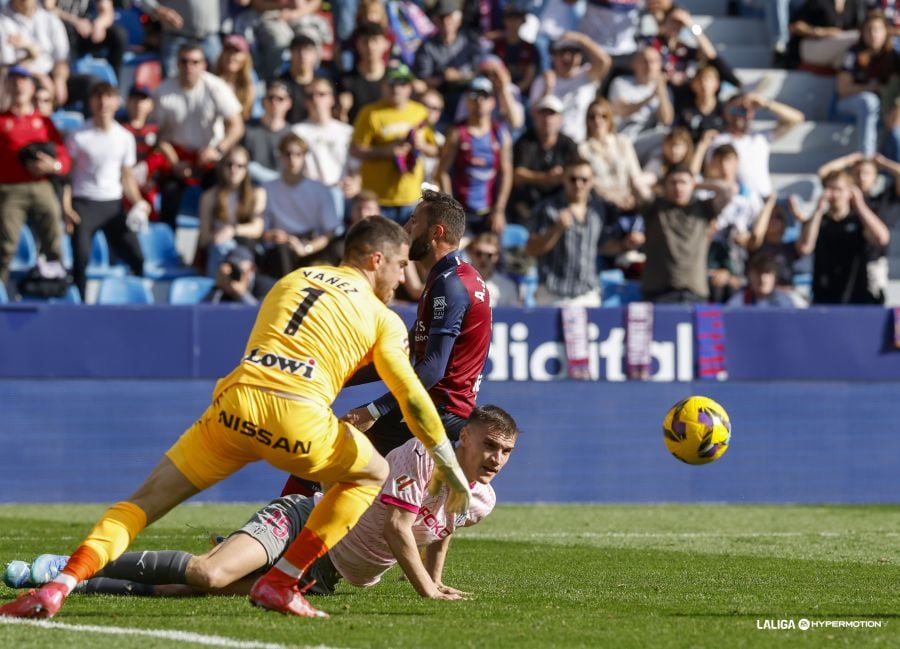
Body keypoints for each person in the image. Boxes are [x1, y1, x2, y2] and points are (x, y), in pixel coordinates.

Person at [0, 215, 472, 620]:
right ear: (375, 260)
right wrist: (447, 464)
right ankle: (283, 581)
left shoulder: (293, 279)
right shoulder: (382, 317)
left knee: (139, 504)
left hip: (234, 405)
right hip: (297, 417)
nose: (402, 280)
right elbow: (411, 392)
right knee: (373, 471)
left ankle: (57, 586)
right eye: (399, 267)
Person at [5, 406, 517, 602]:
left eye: (506, 452)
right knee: (208, 574)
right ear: (465, 437)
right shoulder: (424, 458)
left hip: (329, 574)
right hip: (305, 523)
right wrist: (427, 590)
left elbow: (441, 528)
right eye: (490, 445)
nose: (496, 458)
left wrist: (439, 574)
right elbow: (398, 528)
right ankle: (64, 568)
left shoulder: (483, 499)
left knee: (184, 589)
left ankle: (75, 580)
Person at [343, 190, 493, 458]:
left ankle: (294, 502)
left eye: (413, 222)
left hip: (438, 414)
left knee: (337, 447)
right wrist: (340, 377)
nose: (405, 230)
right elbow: (407, 354)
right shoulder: (449, 278)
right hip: (436, 408)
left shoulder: (451, 285)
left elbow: (432, 369)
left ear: (436, 232)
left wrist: (373, 411)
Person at [64, 83, 147, 300]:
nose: (103, 103)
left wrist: (139, 202)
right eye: (98, 97)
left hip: (113, 205)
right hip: (84, 203)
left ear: (116, 102)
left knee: (137, 256)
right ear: (91, 102)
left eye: (108, 97)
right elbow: (67, 176)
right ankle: (79, 304)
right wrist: (66, 207)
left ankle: (136, 302)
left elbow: (127, 177)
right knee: (80, 258)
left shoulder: (124, 137)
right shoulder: (78, 134)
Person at [526, 157, 642, 306]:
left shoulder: (598, 210)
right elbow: (531, 249)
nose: (578, 184)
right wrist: (555, 230)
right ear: (564, 179)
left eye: (584, 180)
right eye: (572, 179)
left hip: (587, 294)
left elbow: (602, 245)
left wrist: (625, 244)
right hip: (553, 294)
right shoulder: (547, 208)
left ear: (592, 181)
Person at [154, 42, 245, 228]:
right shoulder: (163, 92)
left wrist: (218, 150)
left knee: (217, 197)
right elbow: (159, 136)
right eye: (184, 61)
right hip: (177, 156)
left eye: (195, 62)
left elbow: (237, 125)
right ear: (177, 64)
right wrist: (175, 163)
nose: (189, 67)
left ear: (204, 65)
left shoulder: (216, 87)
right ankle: (167, 246)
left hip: (210, 157)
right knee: (169, 194)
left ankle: (209, 246)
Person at [0, 66, 69, 285]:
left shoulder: (44, 122)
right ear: (8, 87)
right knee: (7, 241)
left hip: (40, 185)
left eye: (23, 82)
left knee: (52, 232)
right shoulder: (2, 121)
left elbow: (64, 157)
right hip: (10, 188)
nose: (19, 86)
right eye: (14, 82)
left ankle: (56, 282)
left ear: (31, 88)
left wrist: (54, 166)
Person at [350, 63, 438, 224]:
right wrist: (386, 151)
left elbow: (434, 150)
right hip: (377, 198)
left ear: (409, 87)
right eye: (391, 83)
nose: (396, 88)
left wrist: (422, 145)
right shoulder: (370, 113)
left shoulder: (420, 111)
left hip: (410, 196)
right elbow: (355, 150)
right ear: (383, 86)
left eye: (402, 83)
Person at [637, 163, 733, 303]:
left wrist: (697, 183)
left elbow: (728, 189)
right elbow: (636, 182)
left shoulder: (703, 209)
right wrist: (661, 180)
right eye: (673, 183)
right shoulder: (654, 208)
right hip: (658, 294)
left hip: (695, 294)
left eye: (683, 183)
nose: (678, 187)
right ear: (665, 185)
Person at [797, 169, 891, 304]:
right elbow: (805, 248)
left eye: (839, 189)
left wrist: (859, 204)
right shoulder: (818, 221)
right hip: (824, 296)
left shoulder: (859, 220)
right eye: (830, 189)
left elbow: (882, 238)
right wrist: (818, 210)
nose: (834, 195)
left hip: (857, 295)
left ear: (850, 192)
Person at [436, 76, 513, 236]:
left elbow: (506, 172)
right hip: (462, 211)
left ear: (492, 102)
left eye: (485, 96)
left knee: (492, 257)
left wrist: (499, 210)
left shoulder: (499, 133)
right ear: (467, 101)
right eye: (474, 95)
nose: (479, 100)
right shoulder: (457, 133)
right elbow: (442, 171)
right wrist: (451, 209)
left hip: (489, 211)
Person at [258, 133, 341, 277]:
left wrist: (307, 248)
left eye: (298, 154)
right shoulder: (266, 189)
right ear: (280, 156)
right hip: (280, 249)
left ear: (304, 156)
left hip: (312, 245)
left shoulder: (320, 190)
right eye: (288, 154)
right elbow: (260, 228)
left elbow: (329, 232)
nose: (292, 160)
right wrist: (271, 236)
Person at [708, 92, 805, 202]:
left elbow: (797, 119)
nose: (739, 115)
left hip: (764, 201)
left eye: (744, 110)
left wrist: (765, 104)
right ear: (726, 113)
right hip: (736, 203)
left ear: (751, 114)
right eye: (735, 110)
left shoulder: (760, 138)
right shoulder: (719, 141)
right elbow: (713, 174)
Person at [834, 12, 900, 157]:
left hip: (886, 110)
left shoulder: (892, 56)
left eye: (878, 29)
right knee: (869, 101)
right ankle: (866, 159)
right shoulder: (853, 54)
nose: (873, 34)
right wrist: (870, 88)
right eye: (869, 29)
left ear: (886, 32)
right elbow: (842, 89)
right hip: (849, 105)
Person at [528, 31, 612, 144]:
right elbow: (534, 114)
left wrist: (581, 39)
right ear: (553, 56)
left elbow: (604, 62)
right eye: (562, 52)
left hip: (582, 142)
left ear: (580, 56)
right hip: (554, 145)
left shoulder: (587, 76)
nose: (567, 57)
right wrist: (547, 90)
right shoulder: (543, 80)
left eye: (573, 52)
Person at [292, 77, 359, 220]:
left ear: (331, 99)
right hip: (310, 197)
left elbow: (356, 169)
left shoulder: (347, 131)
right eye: (311, 96)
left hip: (342, 195)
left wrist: (355, 184)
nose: (316, 99)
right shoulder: (296, 132)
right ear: (305, 101)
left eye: (321, 94)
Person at [509, 95, 579, 231]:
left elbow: (578, 171)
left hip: (560, 204)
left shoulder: (569, 144)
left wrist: (563, 176)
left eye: (552, 114)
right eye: (543, 114)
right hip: (528, 204)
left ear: (560, 119)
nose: (547, 119)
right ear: (535, 117)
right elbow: (517, 175)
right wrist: (546, 178)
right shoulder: (524, 142)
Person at [197, 146, 266, 277]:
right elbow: (204, 238)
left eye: (240, 166)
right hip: (218, 249)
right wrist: (218, 237)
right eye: (229, 165)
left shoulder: (257, 193)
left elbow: (257, 228)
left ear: (246, 169)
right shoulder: (210, 196)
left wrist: (232, 230)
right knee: (222, 247)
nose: (234, 170)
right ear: (222, 167)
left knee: (240, 257)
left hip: (246, 247)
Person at [242, 80, 293, 184]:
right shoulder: (247, 129)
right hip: (252, 189)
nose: (274, 102)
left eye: (280, 99)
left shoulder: (292, 135)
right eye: (270, 98)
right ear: (263, 101)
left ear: (289, 103)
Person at [465, 232, 519, 307]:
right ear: (470, 253)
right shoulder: (458, 283)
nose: (483, 259)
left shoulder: (508, 286)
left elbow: (512, 316)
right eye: (479, 253)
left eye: (489, 255)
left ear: (496, 257)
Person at [726, 252, 797, 307]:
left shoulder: (784, 302)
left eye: (767, 273)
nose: (762, 279)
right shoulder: (739, 301)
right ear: (750, 276)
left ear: (775, 277)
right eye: (758, 273)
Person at [213, 34, 257, 122]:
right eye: (228, 51)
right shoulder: (212, 81)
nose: (231, 56)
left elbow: (251, 115)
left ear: (245, 57)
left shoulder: (250, 83)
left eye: (236, 52)